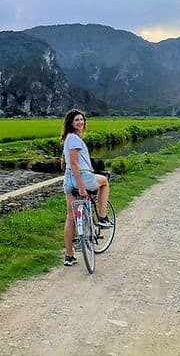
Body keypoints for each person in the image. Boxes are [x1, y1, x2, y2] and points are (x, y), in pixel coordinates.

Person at [61, 108, 112, 266]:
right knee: (104, 182)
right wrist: (82, 187)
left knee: (70, 217)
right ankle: (102, 217)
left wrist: (72, 177)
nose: (80, 122)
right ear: (71, 122)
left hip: (68, 180)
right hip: (81, 176)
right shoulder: (75, 139)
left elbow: (64, 162)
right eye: (77, 120)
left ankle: (69, 256)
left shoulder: (67, 139)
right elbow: (75, 163)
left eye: (82, 119)